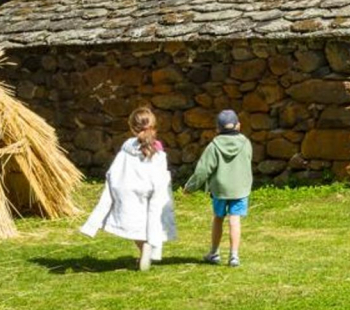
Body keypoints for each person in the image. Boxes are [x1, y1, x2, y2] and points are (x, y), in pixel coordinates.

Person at [79, 106, 176, 270]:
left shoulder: (127, 147)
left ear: (132, 128)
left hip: (128, 189)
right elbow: (157, 171)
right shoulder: (157, 149)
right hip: (149, 188)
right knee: (149, 220)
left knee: (133, 223)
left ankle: (143, 247)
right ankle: (148, 247)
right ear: (154, 125)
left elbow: (116, 170)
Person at [183, 108, 253, 268]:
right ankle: (234, 256)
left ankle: (214, 253)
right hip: (240, 189)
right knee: (235, 220)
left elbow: (202, 170)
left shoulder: (213, 146)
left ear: (217, 129)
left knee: (218, 218)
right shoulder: (246, 143)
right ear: (238, 126)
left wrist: (190, 187)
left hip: (220, 190)